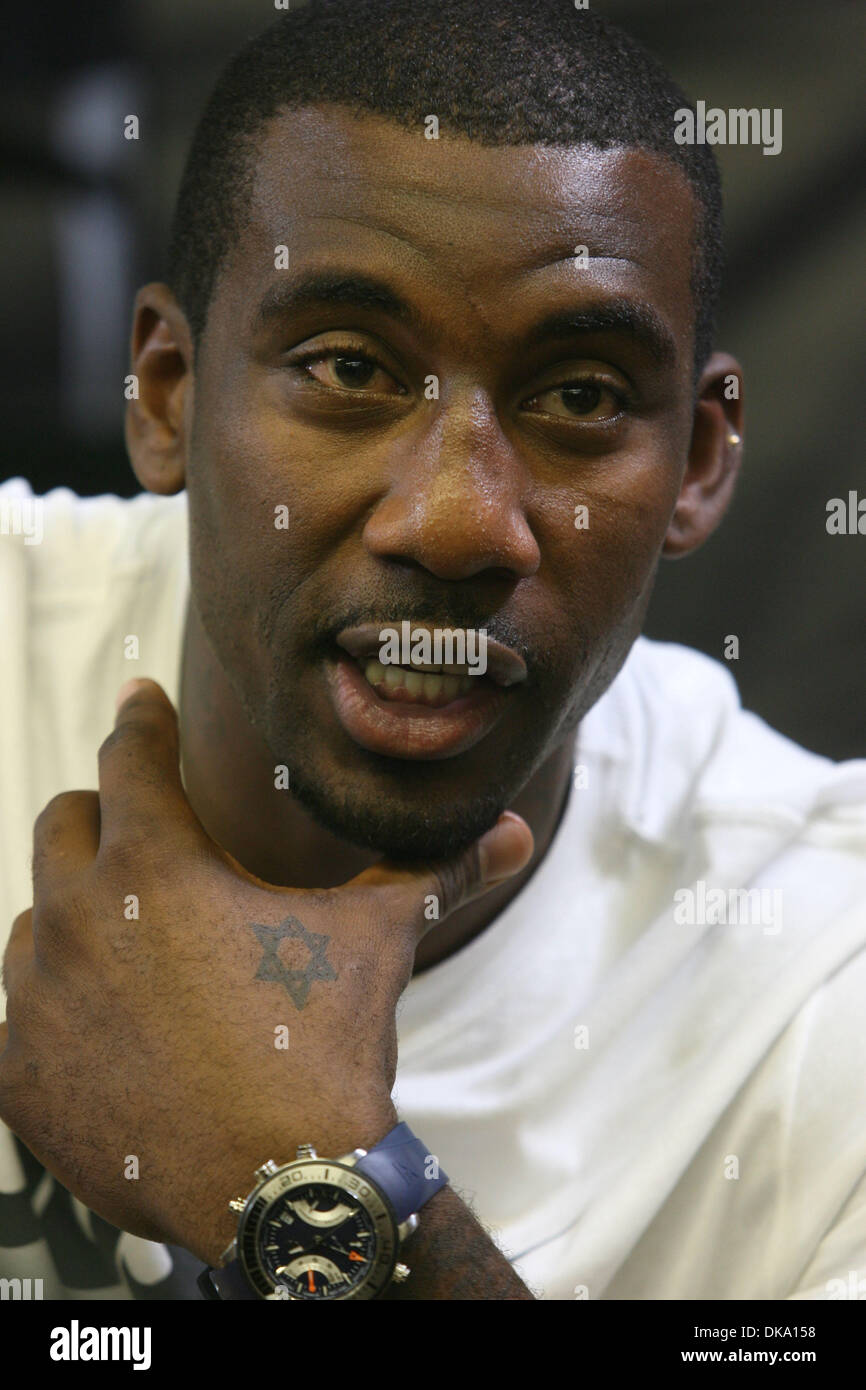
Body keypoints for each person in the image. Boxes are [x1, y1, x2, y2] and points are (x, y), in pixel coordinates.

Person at [1, 0, 864, 1302]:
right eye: (347, 366)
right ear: (167, 392)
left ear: (694, 461)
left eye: (577, 395)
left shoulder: (818, 989)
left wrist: (305, 1172)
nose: (456, 519)